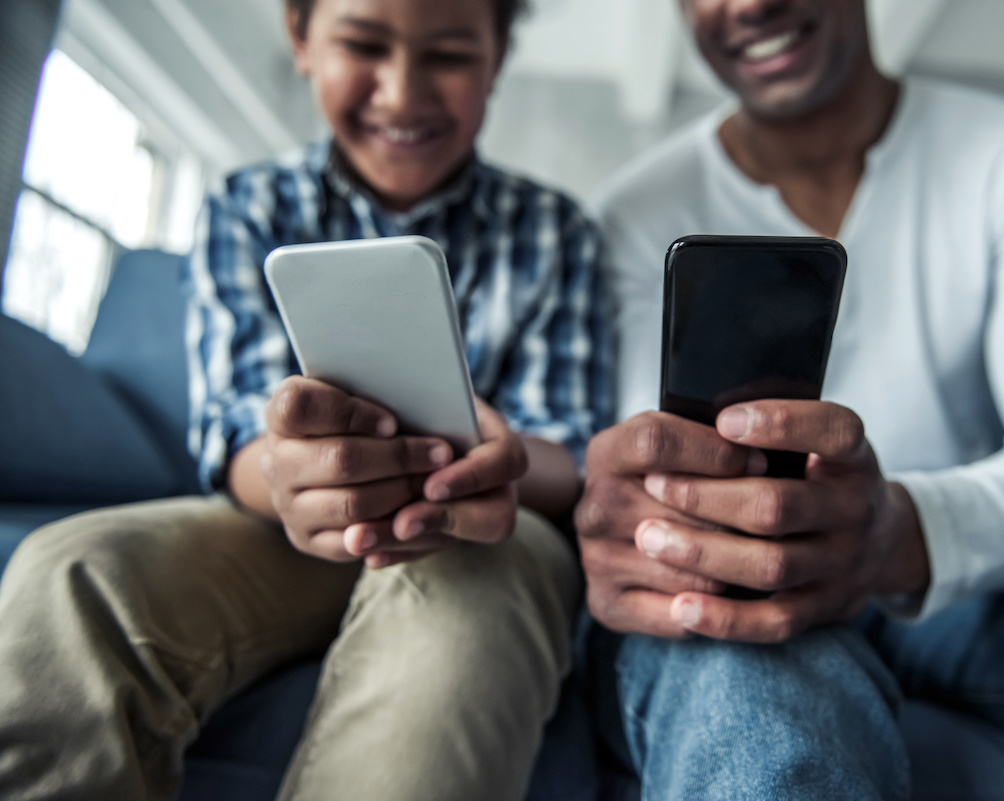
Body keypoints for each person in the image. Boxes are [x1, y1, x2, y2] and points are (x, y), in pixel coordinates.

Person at [578, 0, 1004, 798]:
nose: (748, 4)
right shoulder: (632, 215)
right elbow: (659, 475)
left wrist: (895, 532)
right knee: (751, 676)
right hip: (751, 584)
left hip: (974, 585)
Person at [0, 0, 612, 799]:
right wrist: (290, 472)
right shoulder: (248, 206)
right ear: (300, 38)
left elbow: (570, 448)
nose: (400, 93)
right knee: (70, 571)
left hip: (493, 530)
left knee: (464, 606)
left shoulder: (557, 232)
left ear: (497, 58)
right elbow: (233, 425)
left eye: (451, 55)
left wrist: (496, 462)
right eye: (363, 44)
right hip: (278, 527)